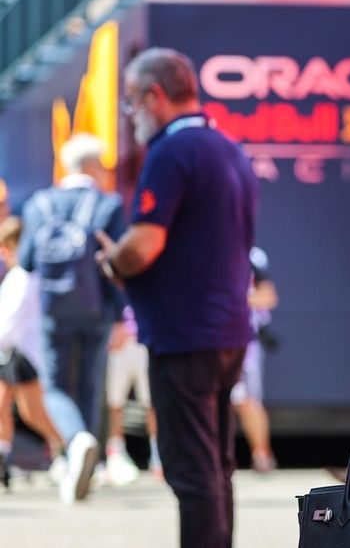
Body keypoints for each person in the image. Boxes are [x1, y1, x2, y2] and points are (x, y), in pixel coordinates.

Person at [95, 48, 257, 548]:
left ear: (154, 96)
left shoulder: (170, 152)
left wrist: (112, 258)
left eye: (130, 103)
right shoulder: (227, 148)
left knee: (191, 471)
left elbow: (143, 247)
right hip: (226, 329)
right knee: (215, 466)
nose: (130, 116)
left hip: (185, 335)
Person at [18, 132, 126, 503]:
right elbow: (115, 265)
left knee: (56, 386)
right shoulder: (107, 205)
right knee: (89, 385)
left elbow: (28, 261)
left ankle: (74, 444)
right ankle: (86, 454)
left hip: (53, 309)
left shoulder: (39, 204)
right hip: (96, 308)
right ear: (93, 165)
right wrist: (120, 316)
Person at [0, 217, 67, 491]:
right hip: (9, 353)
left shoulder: (23, 276)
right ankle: (3, 458)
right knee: (1, 406)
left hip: (23, 355)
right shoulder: (20, 275)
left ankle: (70, 447)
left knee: (32, 414)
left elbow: (10, 320)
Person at [231, 246, 278, 473]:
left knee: (249, 400)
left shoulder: (252, 256)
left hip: (245, 344)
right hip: (210, 341)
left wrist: (235, 297)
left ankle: (262, 455)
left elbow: (268, 296)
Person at [103, 304, 161, 484]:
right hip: (119, 343)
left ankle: (158, 456)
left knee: (151, 402)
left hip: (145, 340)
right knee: (115, 401)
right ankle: (116, 454)